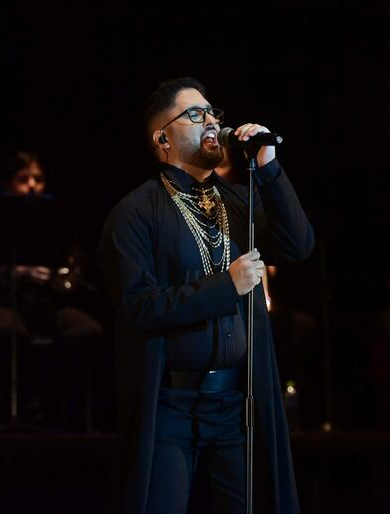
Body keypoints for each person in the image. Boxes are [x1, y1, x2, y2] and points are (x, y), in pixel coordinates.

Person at [98, 77, 314, 514]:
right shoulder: (136, 212)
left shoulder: (237, 201)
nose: (211, 121)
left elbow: (297, 245)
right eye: (195, 115)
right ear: (163, 138)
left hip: (236, 404)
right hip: (171, 408)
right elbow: (137, 307)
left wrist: (269, 168)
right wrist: (224, 288)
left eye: (213, 112)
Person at [0, 151, 104, 430]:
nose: (32, 186)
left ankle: (68, 415)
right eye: (23, 179)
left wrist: (60, 277)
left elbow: (74, 263)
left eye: (38, 179)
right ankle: (20, 414)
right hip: (2, 303)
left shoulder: (57, 220)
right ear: (8, 184)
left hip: (47, 305)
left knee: (87, 330)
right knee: (9, 331)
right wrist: (20, 273)